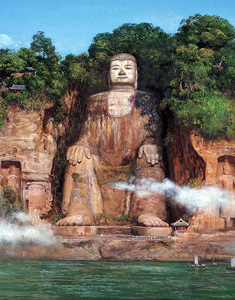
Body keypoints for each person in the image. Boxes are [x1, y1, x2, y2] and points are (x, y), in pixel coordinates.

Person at [56, 53, 168, 227]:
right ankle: (80, 210)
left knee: (150, 156)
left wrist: (149, 144)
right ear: (108, 74)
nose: (122, 72)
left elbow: (153, 133)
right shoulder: (95, 101)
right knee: (78, 157)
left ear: (136, 75)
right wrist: (80, 145)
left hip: (135, 162)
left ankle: (149, 211)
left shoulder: (146, 100)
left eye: (128, 68)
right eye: (116, 68)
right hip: (99, 163)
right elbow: (86, 135)